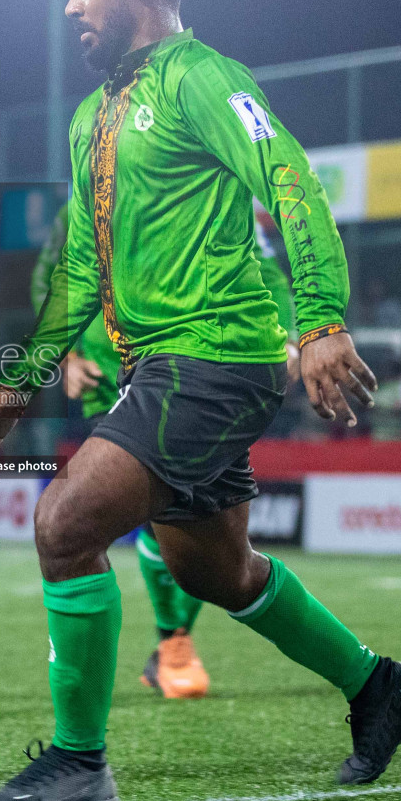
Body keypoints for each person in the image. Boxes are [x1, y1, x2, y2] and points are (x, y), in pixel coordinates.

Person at [0, 0, 401, 801]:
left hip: (213, 357)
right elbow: (78, 272)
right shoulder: (93, 119)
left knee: (65, 526)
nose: (70, 5)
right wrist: (21, 383)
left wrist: (323, 319)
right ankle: (382, 687)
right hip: (165, 368)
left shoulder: (203, 78)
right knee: (213, 571)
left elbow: (289, 176)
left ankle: (77, 763)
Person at [31, 205, 297, 700]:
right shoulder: (81, 199)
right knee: (154, 518)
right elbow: (52, 278)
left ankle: (172, 646)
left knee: (199, 522)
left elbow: (269, 274)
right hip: (105, 375)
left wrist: (295, 339)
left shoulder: (200, 182)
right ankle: (171, 646)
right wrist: (67, 356)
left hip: (191, 369)